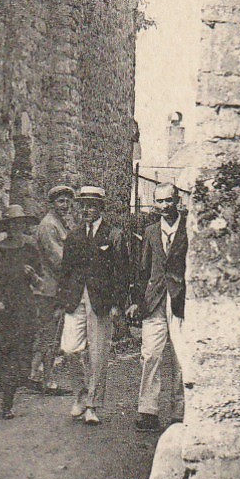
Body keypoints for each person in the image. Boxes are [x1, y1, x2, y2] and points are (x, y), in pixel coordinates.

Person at [59, 185, 129, 425]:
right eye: (84, 205)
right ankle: (80, 394)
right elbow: (65, 271)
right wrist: (63, 299)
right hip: (75, 298)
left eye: (92, 205)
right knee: (69, 349)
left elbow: (121, 272)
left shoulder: (113, 235)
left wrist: (118, 304)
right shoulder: (74, 235)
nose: (87, 210)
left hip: (101, 301)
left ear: (101, 208)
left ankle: (92, 405)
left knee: (98, 354)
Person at [127, 183, 188, 432]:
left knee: (180, 356)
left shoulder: (189, 228)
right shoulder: (151, 231)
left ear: (177, 201)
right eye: (159, 202)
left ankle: (180, 411)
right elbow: (143, 270)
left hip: (181, 300)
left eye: (168, 201)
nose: (164, 206)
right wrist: (136, 301)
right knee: (150, 354)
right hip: (154, 301)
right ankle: (148, 410)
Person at [0, 203, 38, 419]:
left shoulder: (30, 249)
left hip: (23, 309)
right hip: (0, 309)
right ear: (7, 227)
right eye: (13, 224)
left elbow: (39, 283)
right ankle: (3, 386)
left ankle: (7, 402)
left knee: (19, 353)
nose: (17, 228)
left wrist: (32, 275)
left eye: (20, 224)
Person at [30, 183, 76, 394]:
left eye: (68, 201)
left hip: (56, 288)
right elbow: (59, 260)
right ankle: (43, 380)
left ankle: (36, 376)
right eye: (60, 201)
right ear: (51, 204)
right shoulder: (49, 226)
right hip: (49, 289)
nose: (65, 205)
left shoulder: (60, 224)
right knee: (49, 334)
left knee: (51, 335)